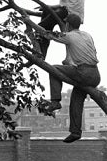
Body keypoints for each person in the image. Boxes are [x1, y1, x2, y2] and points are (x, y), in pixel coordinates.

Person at [42, 13, 100, 142]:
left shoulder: (68, 36)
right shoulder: (87, 35)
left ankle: (55, 101)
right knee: (76, 102)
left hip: (83, 73)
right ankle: (75, 132)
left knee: (54, 69)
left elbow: (48, 35)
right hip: (95, 75)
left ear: (68, 25)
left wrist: (31, 25)